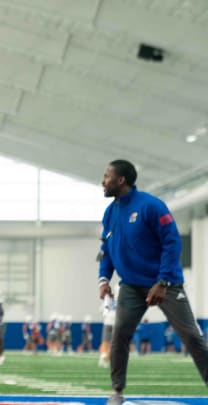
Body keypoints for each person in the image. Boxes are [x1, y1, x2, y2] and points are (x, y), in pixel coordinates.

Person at [97, 159, 208, 404]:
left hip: (166, 284)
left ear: (121, 180)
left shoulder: (151, 206)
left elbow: (172, 242)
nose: (102, 182)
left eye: (106, 176)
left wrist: (164, 280)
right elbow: (106, 249)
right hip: (131, 286)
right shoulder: (110, 212)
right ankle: (117, 392)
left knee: (191, 336)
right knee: (120, 336)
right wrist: (103, 279)